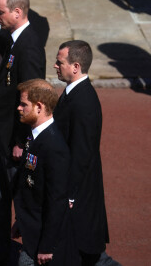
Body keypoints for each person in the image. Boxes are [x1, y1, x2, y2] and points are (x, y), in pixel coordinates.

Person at [0, 0, 46, 265]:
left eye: (1, 12)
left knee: (24, 203)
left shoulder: (29, 46)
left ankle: (33, 256)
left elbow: (33, 98)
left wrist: (22, 141)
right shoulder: (13, 39)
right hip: (1, 134)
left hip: (15, 140)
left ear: (17, 13)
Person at [53, 40, 120, 266]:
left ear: (76, 66)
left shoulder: (84, 101)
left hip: (79, 190)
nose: (55, 66)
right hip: (76, 186)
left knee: (84, 250)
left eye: (59, 62)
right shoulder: (74, 93)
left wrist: (70, 193)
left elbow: (82, 152)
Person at [12, 79, 72, 266]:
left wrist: (47, 246)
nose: (19, 108)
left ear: (39, 107)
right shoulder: (35, 136)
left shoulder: (54, 147)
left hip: (43, 244)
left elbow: (57, 201)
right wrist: (21, 222)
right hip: (32, 232)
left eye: (24, 104)